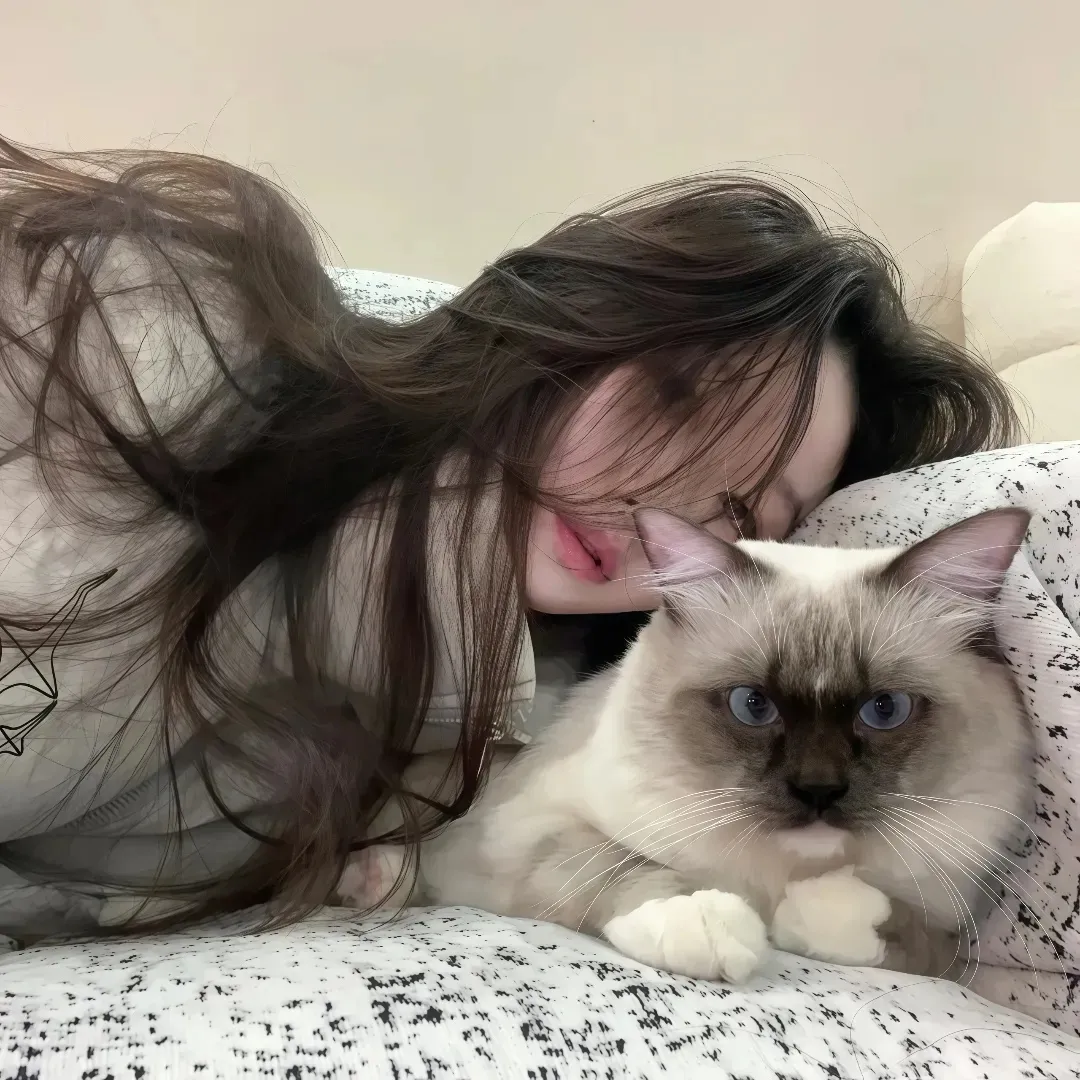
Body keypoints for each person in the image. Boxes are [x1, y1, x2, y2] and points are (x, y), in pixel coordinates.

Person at [0, 139, 1016, 938]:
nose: (657, 499)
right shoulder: (166, 320)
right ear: (575, 321)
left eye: (745, 510)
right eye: (674, 401)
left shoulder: (486, 749)